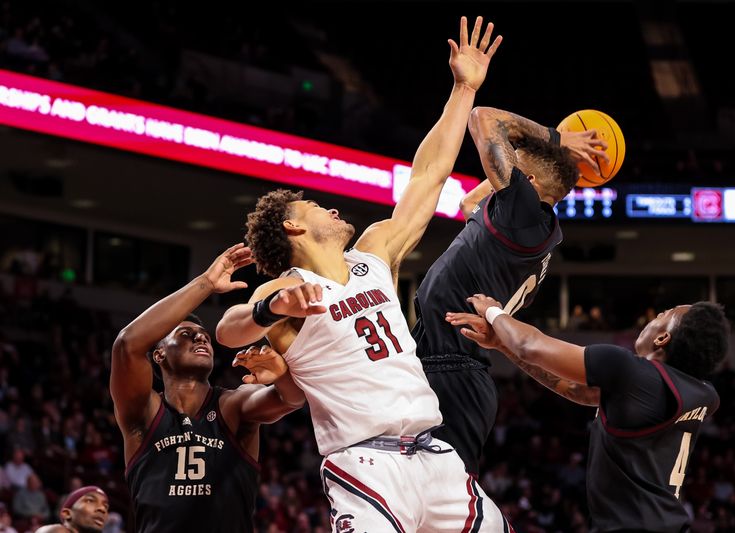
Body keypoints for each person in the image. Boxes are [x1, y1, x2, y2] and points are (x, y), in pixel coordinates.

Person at [217, 17, 513, 532]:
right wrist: (270, 309)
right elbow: (229, 331)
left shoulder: (374, 253)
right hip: (366, 465)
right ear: (292, 226)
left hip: (435, 454)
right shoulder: (285, 289)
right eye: (314, 206)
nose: (330, 210)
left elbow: (428, 176)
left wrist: (463, 89)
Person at [411, 104, 608, 475]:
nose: (507, 164)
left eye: (516, 166)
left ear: (528, 185)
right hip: (442, 365)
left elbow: (483, 118)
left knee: (442, 507)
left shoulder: (524, 216)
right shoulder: (527, 231)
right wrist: (539, 159)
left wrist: (557, 137)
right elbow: (470, 203)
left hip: (453, 374)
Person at [447, 296, 729, 532]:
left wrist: (495, 312)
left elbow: (529, 344)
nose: (652, 317)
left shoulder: (629, 371)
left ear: (663, 338)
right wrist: (501, 343)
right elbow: (575, 390)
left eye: (662, 316)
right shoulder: (702, 392)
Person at [110, 243, 305, 533]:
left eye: (204, 336)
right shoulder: (145, 412)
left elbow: (291, 399)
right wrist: (206, 284)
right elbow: (127, 345)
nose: (201, 339)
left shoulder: (231, 405)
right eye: (186, 334)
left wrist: (281, 375)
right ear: (159, 354)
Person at [34, 486, 108, 533]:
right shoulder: (58, 531)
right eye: (90, 501)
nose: (102, 509)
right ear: (67, 513)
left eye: (105, 506)